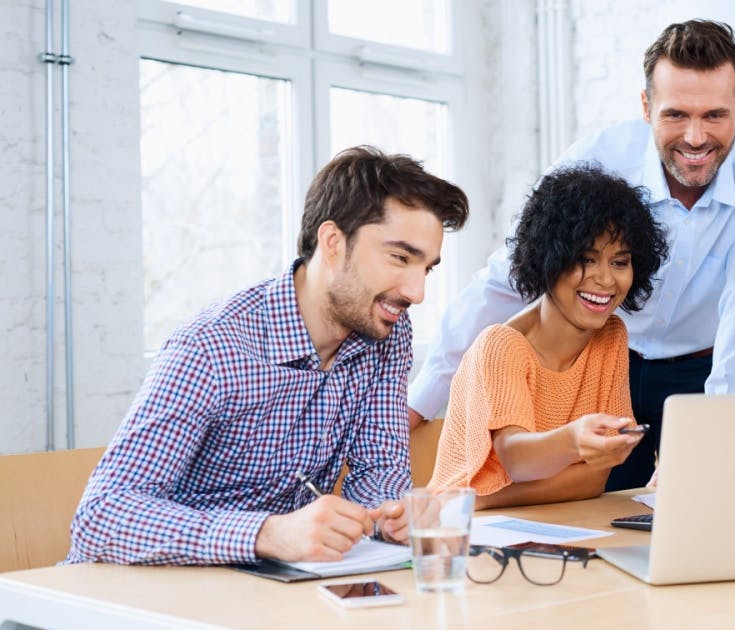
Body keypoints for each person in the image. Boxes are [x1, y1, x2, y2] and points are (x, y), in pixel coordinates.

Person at [409, 20, 735, 491]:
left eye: (714, 116)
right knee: (604, 504)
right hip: (613, 357)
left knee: (700, 502)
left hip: (704, 365)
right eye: (675, 115)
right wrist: (421, 402)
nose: (695, 138)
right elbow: (507, 274)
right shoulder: (599, 157)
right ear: (645, 106)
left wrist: (714, 429)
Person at [66, 146, 470, 565]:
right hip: (127, 593)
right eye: (400, 258)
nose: (416, 292)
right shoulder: (213, 347)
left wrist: (390, 515)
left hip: (258, 589)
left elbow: (379, 470)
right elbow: (101, 516)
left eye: (426, 269)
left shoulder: (386, 330)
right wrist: (265, 533)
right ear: (333, 243)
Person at [428, 166, 669, 508]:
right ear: (549, 258)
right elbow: (517, 460)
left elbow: (595, 478)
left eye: (619, 262)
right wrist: (573, 444)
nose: (605, 280)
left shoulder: (611, 336)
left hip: (548, 520)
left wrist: (482, 498)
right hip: (464, 529)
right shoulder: (501, 345)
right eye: (586, 259)